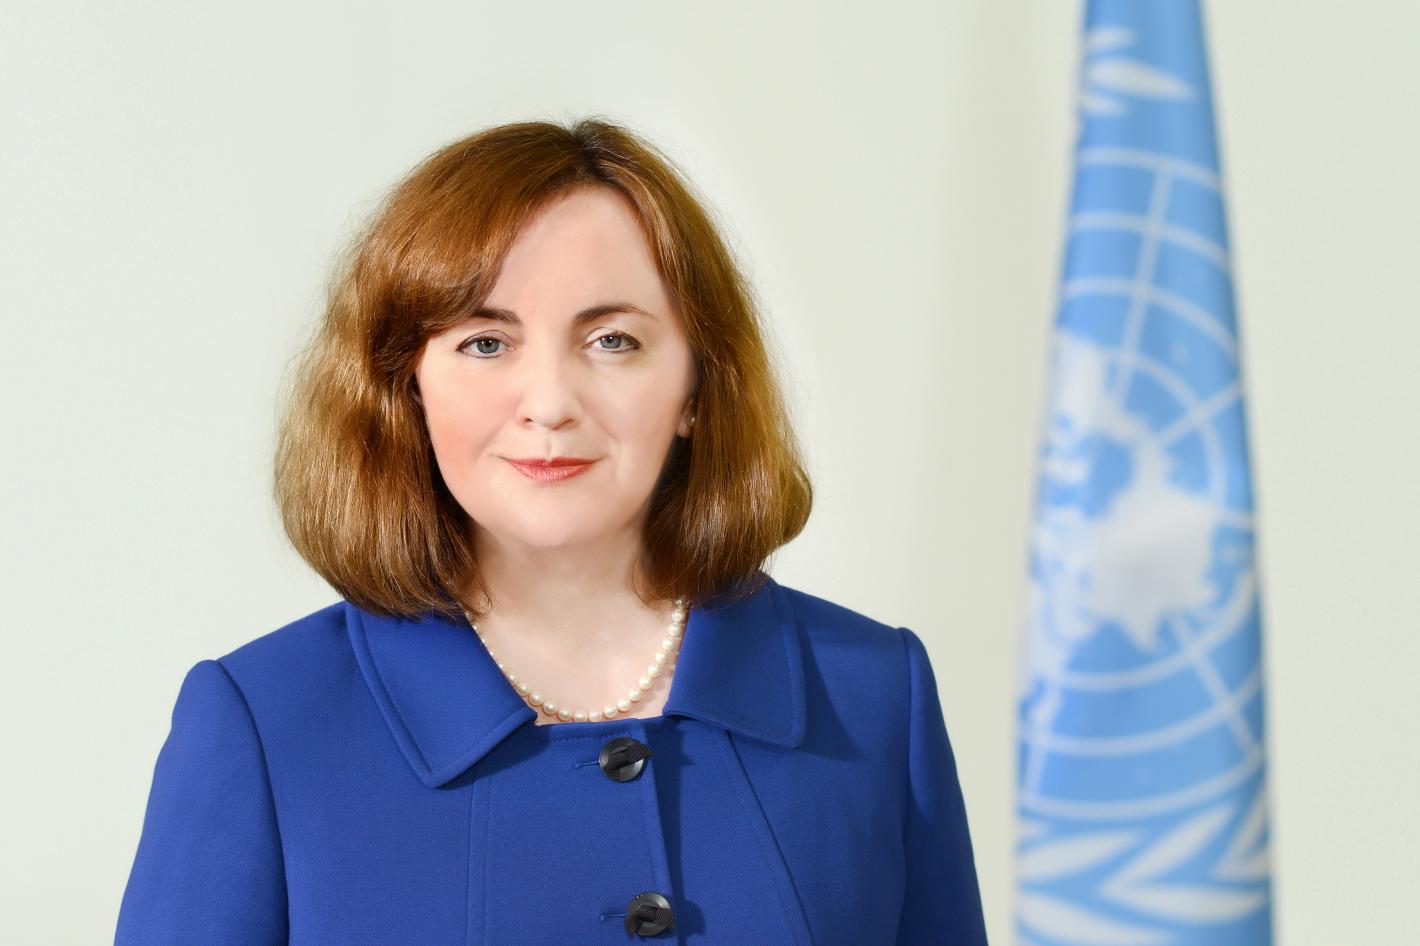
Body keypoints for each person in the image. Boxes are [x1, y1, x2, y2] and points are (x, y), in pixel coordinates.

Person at [114, 117, 989, 945]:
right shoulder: (265, 724)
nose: (550, 404)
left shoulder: (874, 696)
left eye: (612, 340)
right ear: (408, 389)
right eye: (485, 344)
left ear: (695, 388)